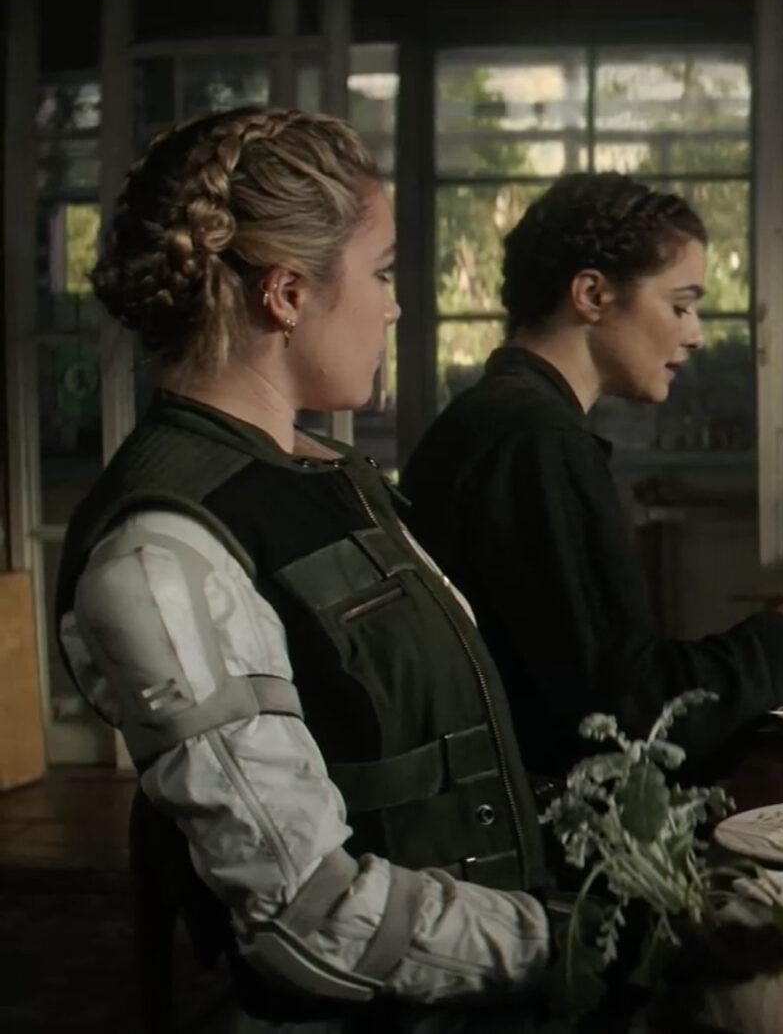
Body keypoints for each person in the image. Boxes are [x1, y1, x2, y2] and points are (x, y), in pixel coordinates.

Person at [59, 107, 551, 1025]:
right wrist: (565, 939)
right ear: (285, 293)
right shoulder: (160, 554)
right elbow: (307, 917)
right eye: (381, 272)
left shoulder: (330, 473)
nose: (394, 305)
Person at [401, 173, 783, 783]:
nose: (696, 334)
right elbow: (631, 709)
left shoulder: (503, 418)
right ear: (592, 294)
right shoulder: (536, 440)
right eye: (680, 305)